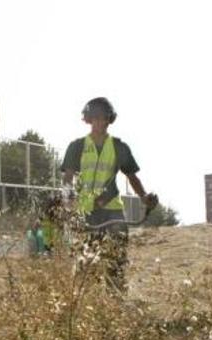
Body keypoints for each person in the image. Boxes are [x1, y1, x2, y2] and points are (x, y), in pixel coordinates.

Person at [60, 97, 158, 291]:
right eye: (94, 118)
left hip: (113, 211)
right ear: (88, 120)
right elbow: (67, 179)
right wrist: (67, 199)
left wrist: (144, 198)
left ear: (108, 120)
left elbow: (132, 177)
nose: (98, 123)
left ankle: (117, 299)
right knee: (87, 264)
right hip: (86, 213)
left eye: (102, 118)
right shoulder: (76, 147)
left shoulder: (119, 147)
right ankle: (88, 304)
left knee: (116, 261)